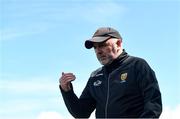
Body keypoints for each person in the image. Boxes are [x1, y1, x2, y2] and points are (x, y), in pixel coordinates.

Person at [59, 27, 162, 118]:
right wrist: (67, 91)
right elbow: (81, 113)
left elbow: (153, 105)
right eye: (95, 47)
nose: (98, 51)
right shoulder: (95, 76)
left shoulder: (137, 66)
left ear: (118, 43)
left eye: (102, 45)